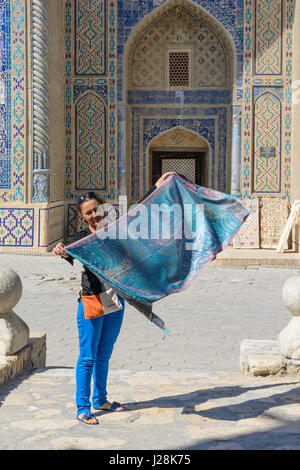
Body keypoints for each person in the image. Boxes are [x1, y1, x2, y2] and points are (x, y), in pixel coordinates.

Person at [52, 172, 175, 424]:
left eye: (96, 210)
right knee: (87, 356)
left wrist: (156, 187)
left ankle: (101, 399)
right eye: (88, 213)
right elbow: (68, 252)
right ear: (83, 216)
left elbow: (138, 213)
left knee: (104, 354)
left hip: (115, 302)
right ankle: (83, 407)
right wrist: (61, 252)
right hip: (92, 302)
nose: (94, 215)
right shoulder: (81, 239)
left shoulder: (116, 231)